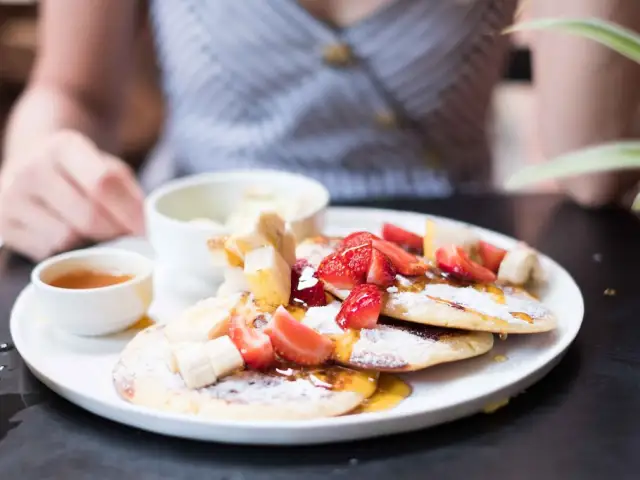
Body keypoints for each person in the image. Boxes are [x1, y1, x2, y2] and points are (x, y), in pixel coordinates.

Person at [1, 0, 639, 261]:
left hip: (439, 264)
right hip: (191, 261)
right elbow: (71, 92)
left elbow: (594, 175)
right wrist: (34, 164)